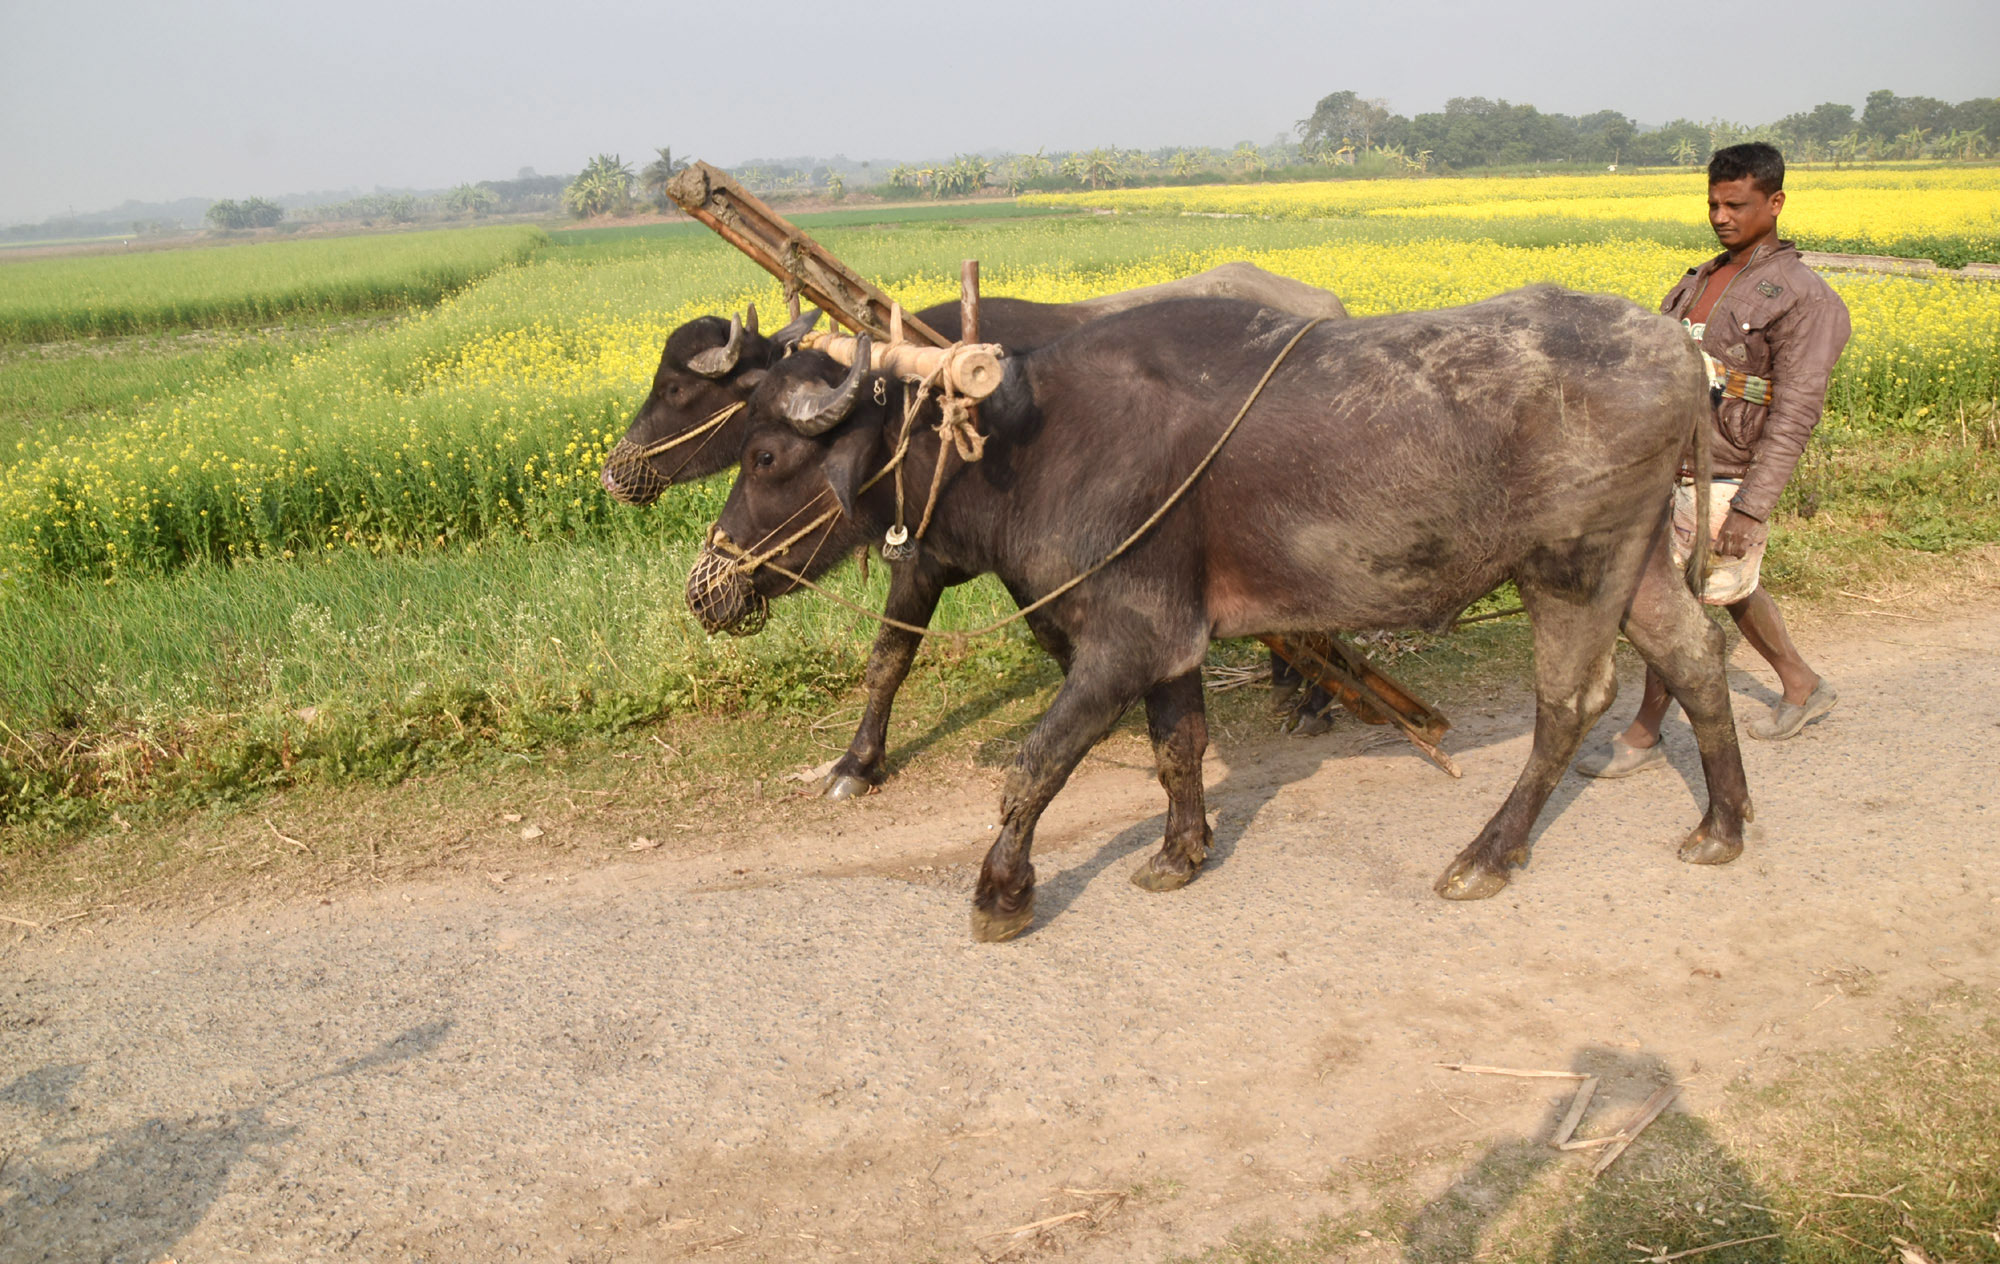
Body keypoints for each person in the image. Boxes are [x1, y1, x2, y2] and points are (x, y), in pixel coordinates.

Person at [1578, 142, 1851, 778]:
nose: (1721, 216)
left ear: (1775, 203)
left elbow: (1795, 413)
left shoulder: (1806, 299)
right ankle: (1802, 683)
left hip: (1728, 471)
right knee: (1723, 589)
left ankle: (1646, 732)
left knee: (1673, 603)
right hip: (1673, 464)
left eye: (1736, 204)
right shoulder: (1700, 279)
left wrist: (1753, 508)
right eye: (1713, 204)